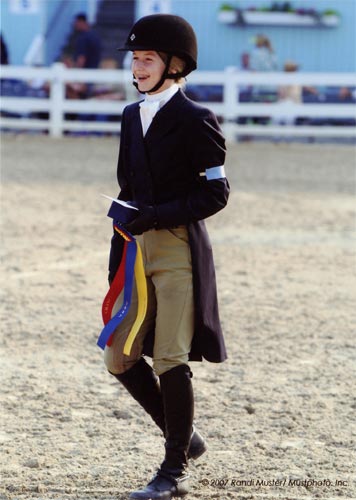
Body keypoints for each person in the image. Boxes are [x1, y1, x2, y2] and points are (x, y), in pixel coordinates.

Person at [100, 14, 229, 500]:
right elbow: (127, 189)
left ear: (175, 65)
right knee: (118, 356)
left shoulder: (197, 120)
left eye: (147, 58)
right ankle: (185, 435)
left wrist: (156, 214)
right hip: (135, 250)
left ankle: (172, 471)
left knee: (170, 358)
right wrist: (117, 255)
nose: (138, 66)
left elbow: (216, 193)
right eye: (135, 58)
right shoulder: (131, 117)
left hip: (176, 250)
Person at [72, 12, 101, 98]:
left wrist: (77, 74)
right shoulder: (94, 36)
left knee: (81, 94)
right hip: (94, 70)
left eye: (76, 22)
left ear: (81, 22)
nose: (75, 25)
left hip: (85, 73)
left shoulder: (83, 38)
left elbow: (81, 58)